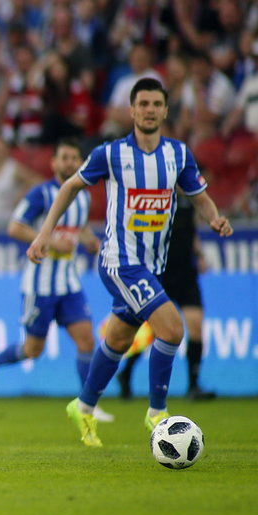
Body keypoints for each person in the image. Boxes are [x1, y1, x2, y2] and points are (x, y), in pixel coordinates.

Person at [27, 78, 233, 448]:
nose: (150, 109)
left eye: (157, 103)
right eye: (143, 104)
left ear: (166, 110)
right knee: (171, 329)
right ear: (132, 110)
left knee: (118, 339)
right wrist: (43, 234)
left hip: (153, 264)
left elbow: (198, 196)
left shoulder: (179, 155)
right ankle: (157, 413)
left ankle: (84, 406)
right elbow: (70, 186)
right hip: (120, 261)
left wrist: (214, 217)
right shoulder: (111, 154)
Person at [0, 139, 113, 423]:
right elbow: (14, 227)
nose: (70, 163)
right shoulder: (41, 193)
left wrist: (89, 241)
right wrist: (50, 241)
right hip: (39, 286)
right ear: (53, 163)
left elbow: (80, 227)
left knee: (86, 340)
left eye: (74, 157)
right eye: (64, 157)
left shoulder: (83, 196)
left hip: (69, 284)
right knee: (31, 350)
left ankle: (88, 404)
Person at [115, 194, 217, 400]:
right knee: (156, 331)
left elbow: (191, 231)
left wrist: (199, 255)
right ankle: (126, 373)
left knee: (196, 325)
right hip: (161, 273)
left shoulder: (190, 200)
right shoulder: (158, 196)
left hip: (187, 273)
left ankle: (193, 385)